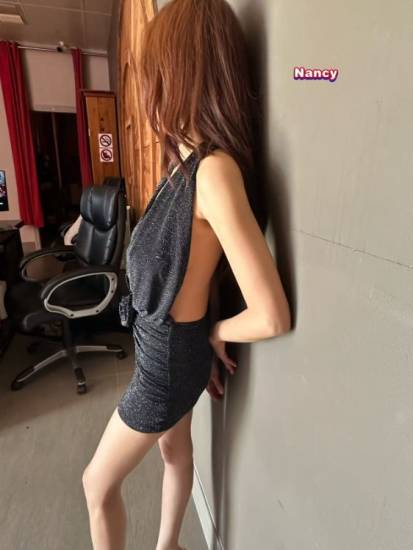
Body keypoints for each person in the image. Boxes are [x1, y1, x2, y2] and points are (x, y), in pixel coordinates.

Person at [81, 1, 291, 549]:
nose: (149, 86)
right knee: (174, 451)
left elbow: (271, 315)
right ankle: (169, 545)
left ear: (184, 71)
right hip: (166, 349)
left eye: (156, 70)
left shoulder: (214, 173)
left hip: (170, 360)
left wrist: (212, 334)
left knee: (96, 485)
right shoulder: (186, 164)